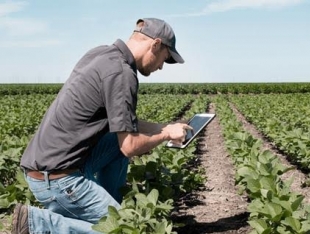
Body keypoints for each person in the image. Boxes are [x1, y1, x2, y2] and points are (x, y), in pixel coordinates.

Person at [12, 18, 192, 234]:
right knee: (127, 229)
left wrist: (165, 127)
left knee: (114, 144)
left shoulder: (101, 54)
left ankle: (107, 207)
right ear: (155, 44)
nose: (161, 66)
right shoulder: (122, 74)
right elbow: (130, 146)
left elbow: (126, 125)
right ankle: (37, 224)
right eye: (165, 58)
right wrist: (165, 136)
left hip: (50, 165)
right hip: (59, 180)